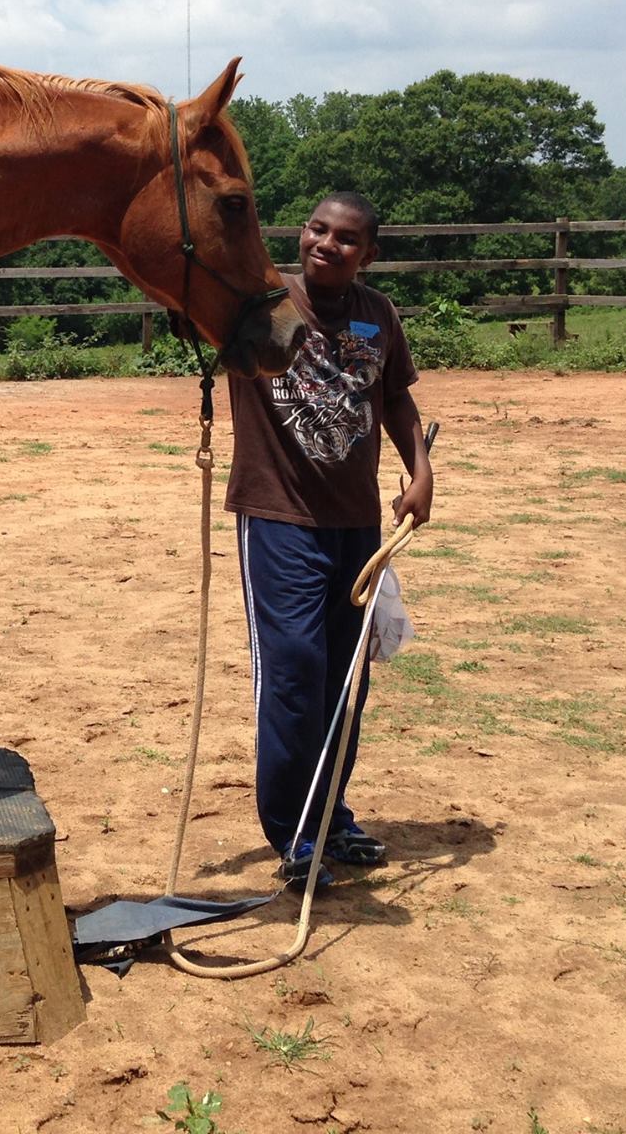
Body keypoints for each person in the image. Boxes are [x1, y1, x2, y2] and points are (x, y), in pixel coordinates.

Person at [225, 191, 434, 888]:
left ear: (367, 256)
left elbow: (397, 398)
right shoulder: (261, 301)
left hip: (358, 528)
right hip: (279, 519)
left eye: (346, 239)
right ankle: (292, 834)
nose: (326, 244)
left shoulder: (379, 316)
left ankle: (329, 816)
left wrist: (421, 470)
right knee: (294, 674)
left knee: (346, 679)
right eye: (317, 229)